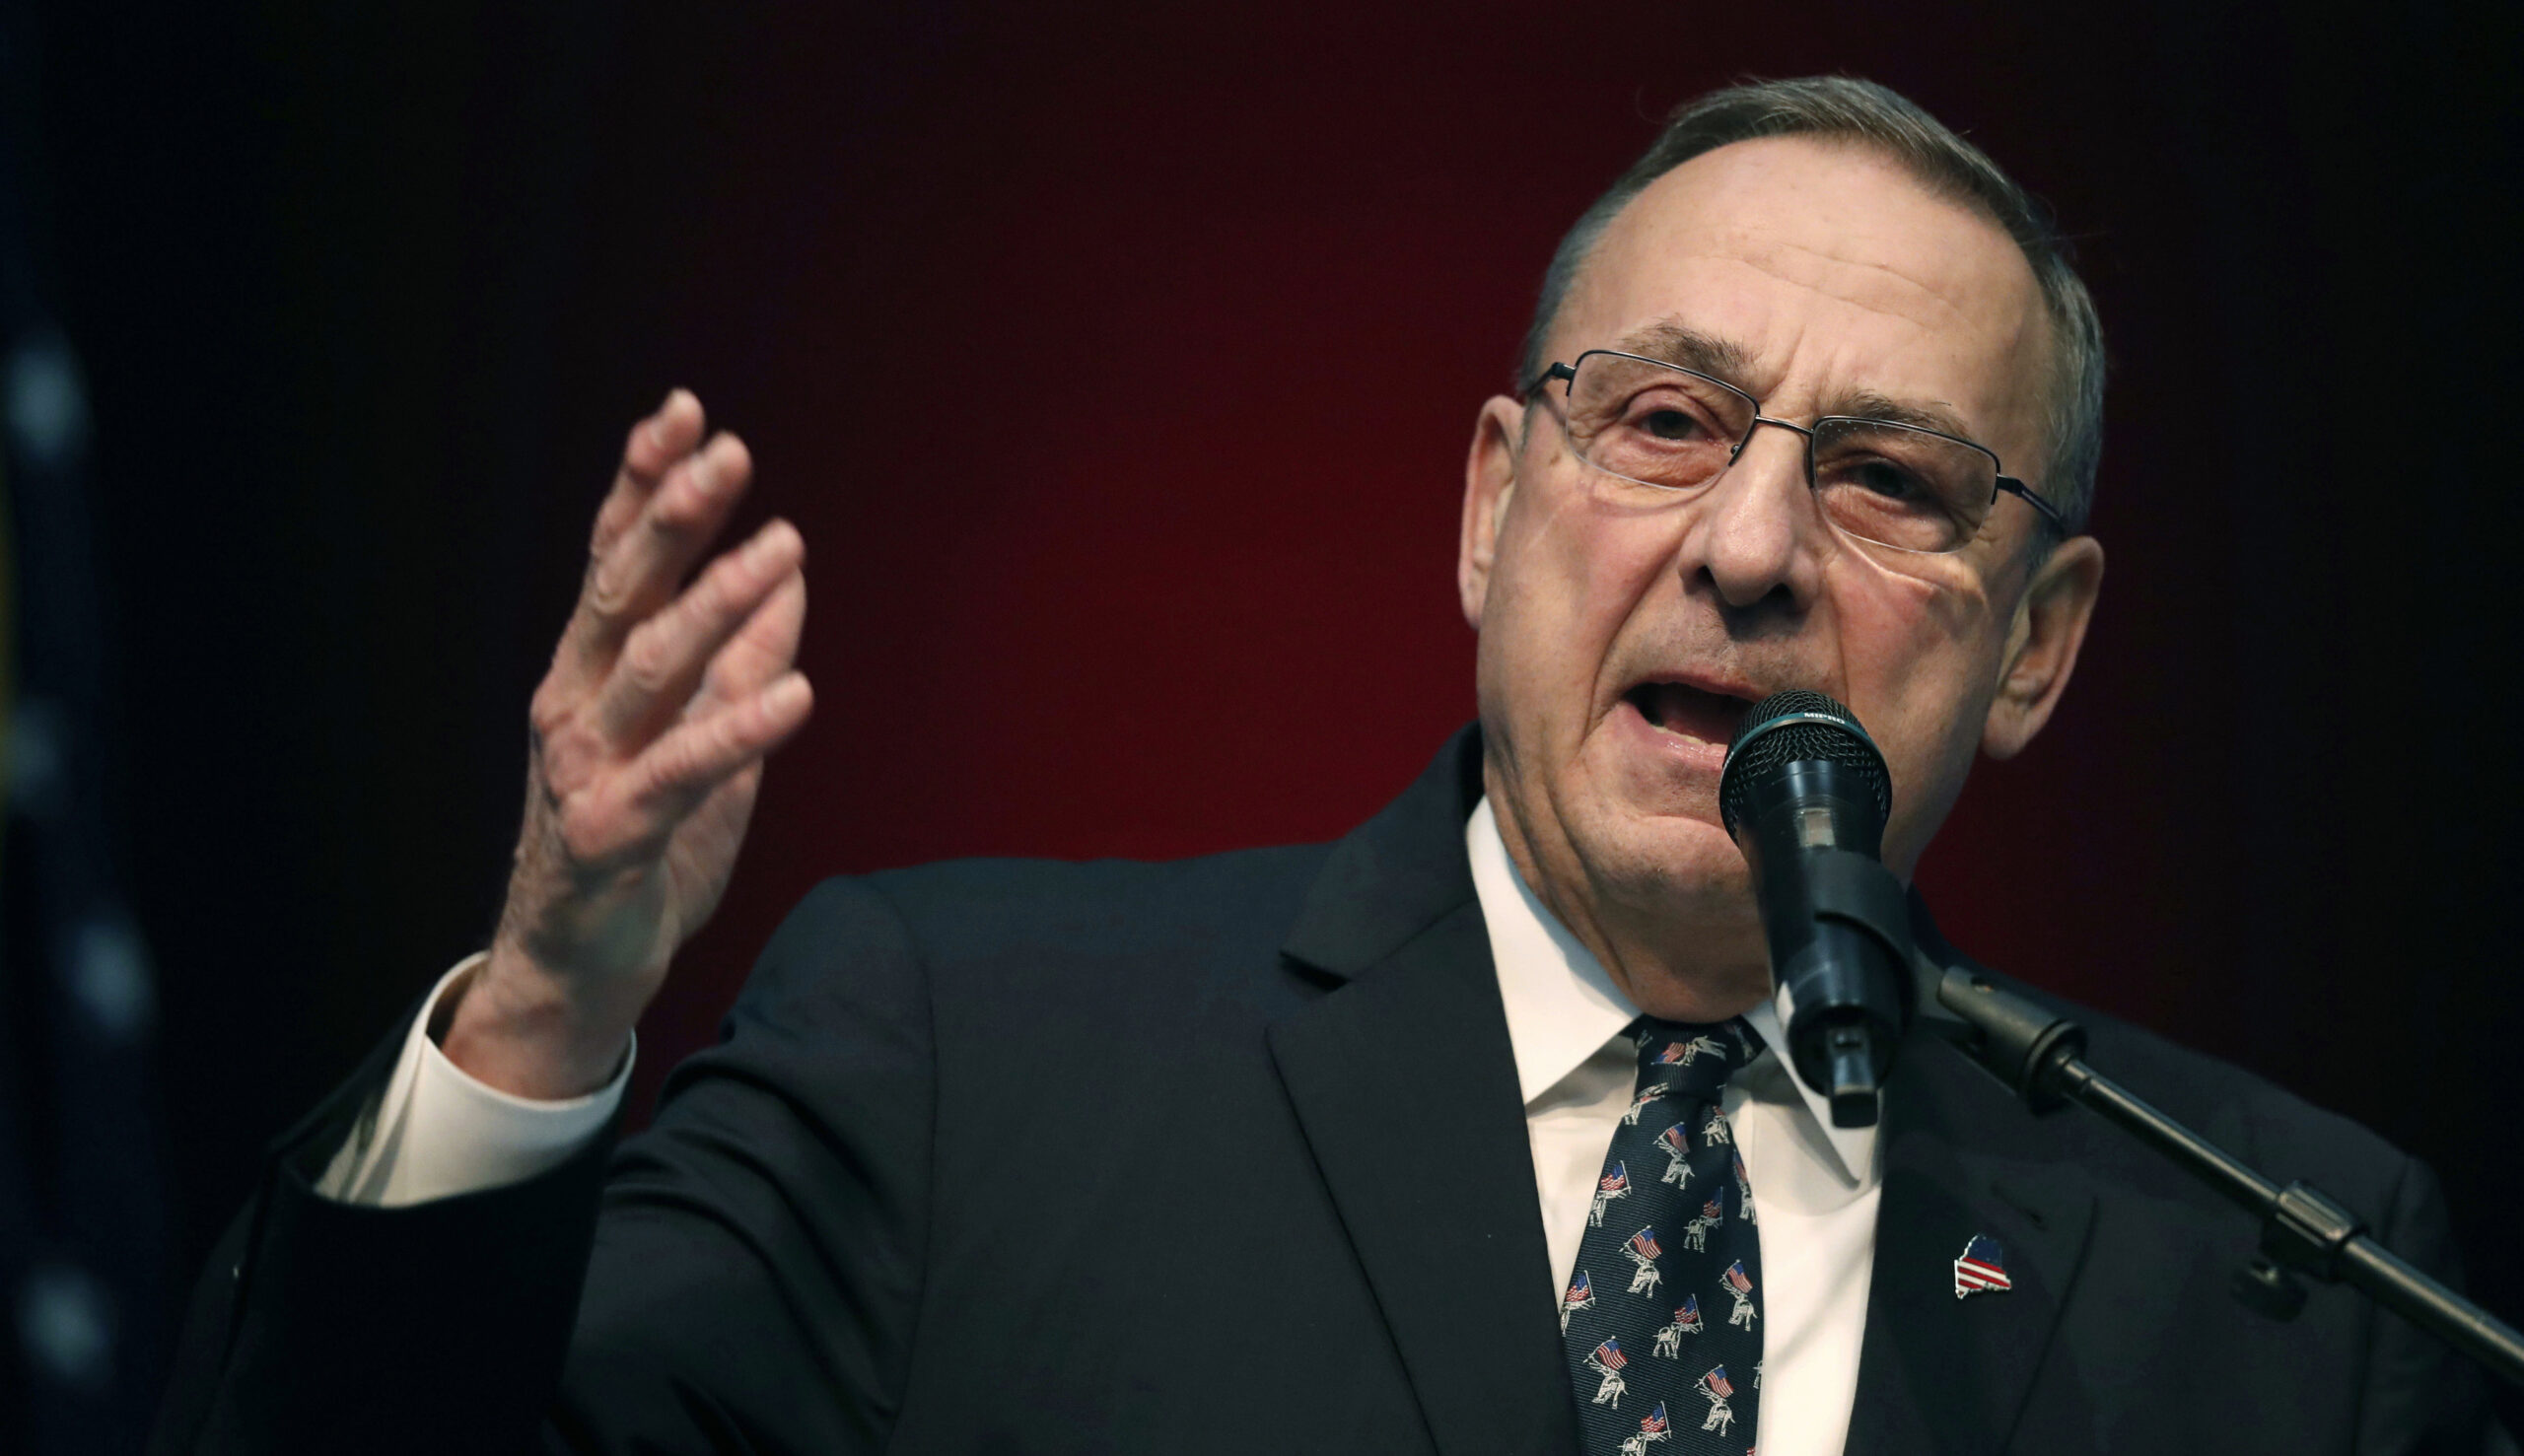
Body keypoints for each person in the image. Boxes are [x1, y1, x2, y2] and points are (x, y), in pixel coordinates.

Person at [150, 77, 2497, 1455]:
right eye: (1663, 422)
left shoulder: (2286, 1280)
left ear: (2037, 644)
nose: (1752, 546)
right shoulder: (966, 1058)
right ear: (1489, 508)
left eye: (1887, 475)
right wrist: (548, 1011)